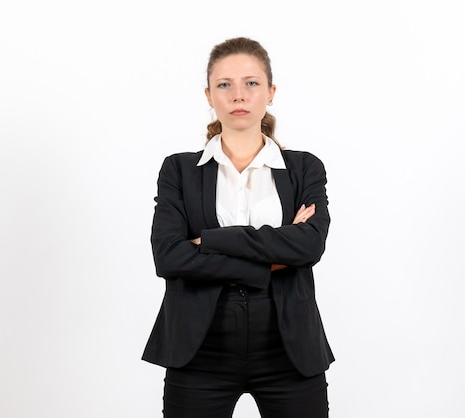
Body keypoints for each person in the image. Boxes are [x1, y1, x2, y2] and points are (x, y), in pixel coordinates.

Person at [142, 36, 334, 418]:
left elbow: (308, 247)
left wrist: (208, 242)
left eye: (251, 83)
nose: (238, 95)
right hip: (199, 350)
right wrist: (271, 258)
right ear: (209, 95)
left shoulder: (303, 169)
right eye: (224, 85)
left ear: (270, 92)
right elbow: (169, 257)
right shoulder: (178, 170)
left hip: (289, 349)